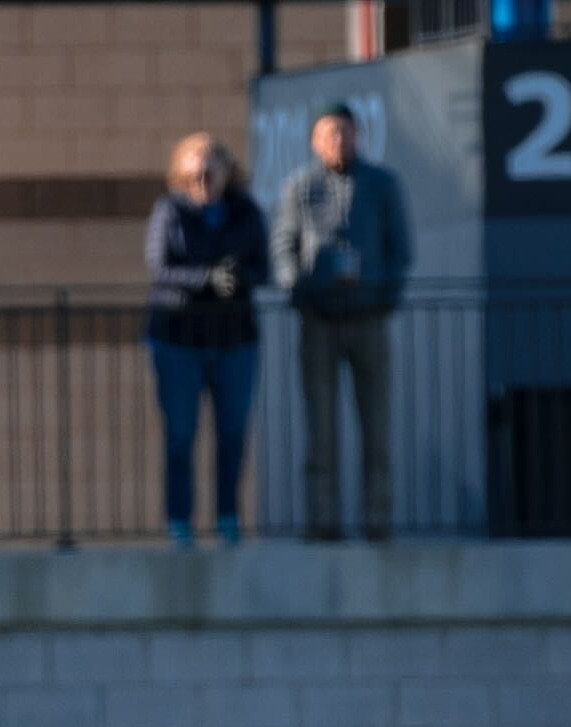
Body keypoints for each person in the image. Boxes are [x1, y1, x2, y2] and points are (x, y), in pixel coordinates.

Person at [273, 100, 412, 543]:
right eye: (329, 133)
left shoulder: (381, 184)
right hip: (319, 321)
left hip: (369, 319)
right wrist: (298, 290)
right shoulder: (300, 187)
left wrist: (382, 295)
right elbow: (284, 248)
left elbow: (399, 249)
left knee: (377, 426)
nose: (338, 141)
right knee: (321, 430)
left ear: (358, 136)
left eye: (345, 132)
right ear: (315, 141)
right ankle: (323, 521)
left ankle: (377, 519)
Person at [145, 133, 271, 549]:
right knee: (181, 436)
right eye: (195, 168)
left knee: (232, 435)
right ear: (181, 172)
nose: (203, 176)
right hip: (179, 342)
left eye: (210, 167)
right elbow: (160, 268)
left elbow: (263, 266)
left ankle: (228, 520)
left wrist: (234, 279)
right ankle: (179, 522)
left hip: (234, 340)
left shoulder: (245, 211)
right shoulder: (170, 212)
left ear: (225, 171)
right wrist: (205, 279)